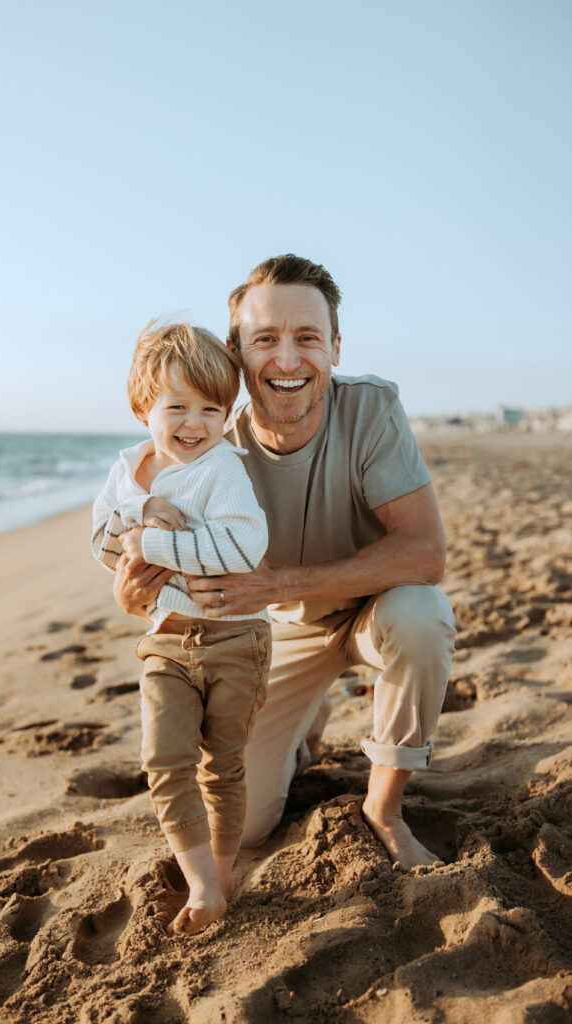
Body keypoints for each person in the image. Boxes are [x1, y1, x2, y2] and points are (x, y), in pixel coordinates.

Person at [113, 256, 456, 871]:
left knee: (421, 613)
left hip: (377, 610)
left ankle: (385, 808)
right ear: (235, 351)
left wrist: (277, 582)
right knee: (244, 829)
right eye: (266, 339)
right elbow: (152, 591)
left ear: (335, 347)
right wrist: (132, 591)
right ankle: (304, 727)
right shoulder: (207, 451)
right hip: (278, 634)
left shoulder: (372, 410)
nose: (289, 361)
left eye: (308, 338)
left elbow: (426, 553)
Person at [92, 321, 271, 934]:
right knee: (165, 760)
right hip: (166, 639)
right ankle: (201, 884)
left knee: (223, 764)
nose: (194, 424)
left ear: (228, 414)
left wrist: (157, 543)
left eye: (211, 409)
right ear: (144, 406)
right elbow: (102, 540)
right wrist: (136, 520)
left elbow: (245, 545)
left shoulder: (222, 468)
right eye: (176, 407)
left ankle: (219, 878)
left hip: (236, 639)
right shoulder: (128, 469)